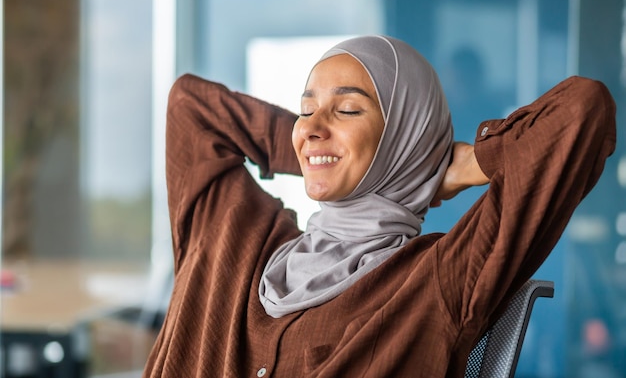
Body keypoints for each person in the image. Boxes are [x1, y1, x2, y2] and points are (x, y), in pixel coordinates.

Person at [143, 35, 616, 378]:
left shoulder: (435, 281)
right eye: (307, 109)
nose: (311, 125)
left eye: (347, 110)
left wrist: (450, 163)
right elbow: (191, 109)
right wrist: (321, 155)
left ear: (400, 140)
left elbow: (582, 112)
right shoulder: (237, 240)